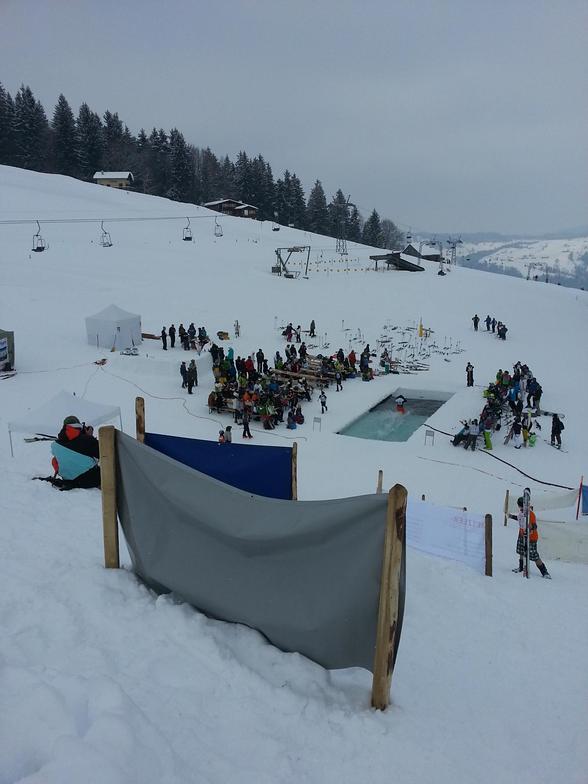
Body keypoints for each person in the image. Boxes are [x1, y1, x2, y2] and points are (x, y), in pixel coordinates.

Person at [50, 416, 101, 489]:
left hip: (67, 480)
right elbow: (103, 453)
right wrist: (90, 437)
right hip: (89, 481)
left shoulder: (55, 444)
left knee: (55, 459)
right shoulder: (87, 440)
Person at [509, 497, 551, 578]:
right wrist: (511, 516)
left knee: (534, 555)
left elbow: (534, 526)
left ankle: (544, 572)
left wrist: (530, 529)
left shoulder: (530, 514)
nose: (521, 508)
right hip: (522, 536)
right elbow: (519, 519)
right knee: (521, 551)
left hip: (531, 538)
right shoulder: (522, 512)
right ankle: (521, 567)